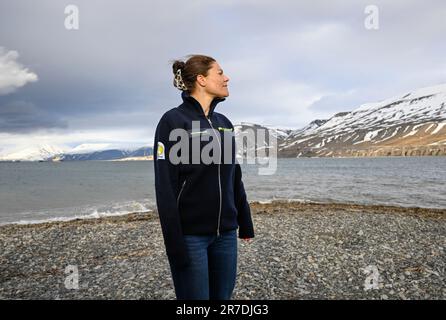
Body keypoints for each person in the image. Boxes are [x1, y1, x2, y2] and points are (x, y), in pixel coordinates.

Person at [153, 54, 255, 300]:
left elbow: (233, 176)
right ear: (201, 79)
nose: (226, 77)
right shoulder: (173, 121)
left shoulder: (224, 123)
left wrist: (244, 221)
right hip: (191, 237)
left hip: (226, 235)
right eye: (220, 73)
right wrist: (174, 243)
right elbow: (165, 186)